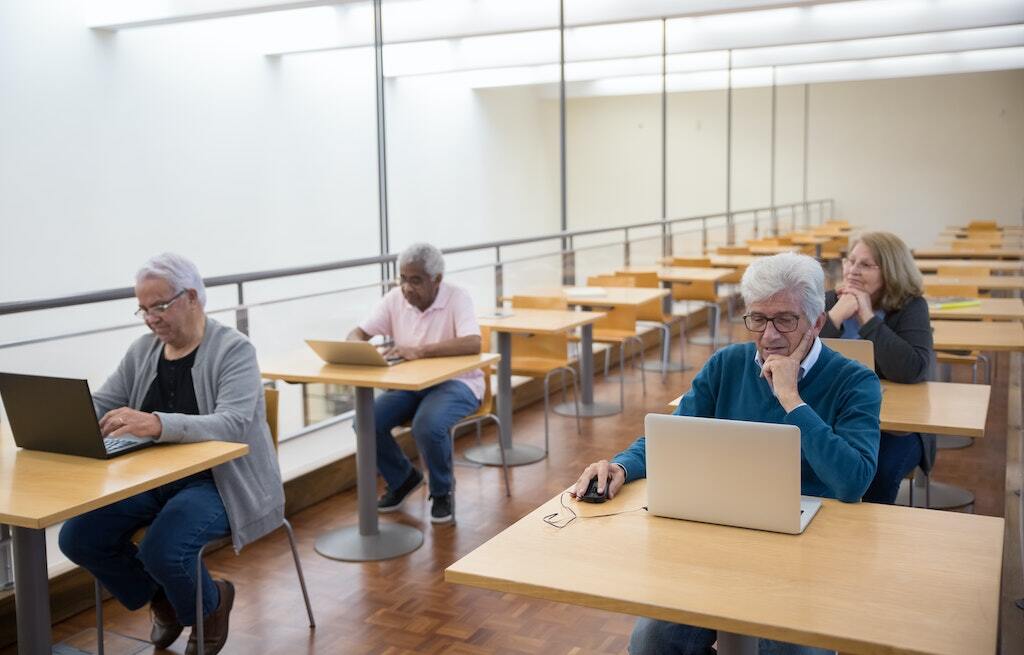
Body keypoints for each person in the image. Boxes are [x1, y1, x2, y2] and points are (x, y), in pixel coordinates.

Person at [572, 252, 881, 655]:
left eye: (785, 320)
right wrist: (621, 466)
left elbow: (854, 479)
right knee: (652, 642)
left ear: (817, 322)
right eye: (758, 319)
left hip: (810, 558)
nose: (769, 335)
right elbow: (673, 437)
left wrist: (792, 400)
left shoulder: (856, 381)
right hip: (721, 539)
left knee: (789, 651)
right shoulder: (726, 364)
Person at [58, 253, 285, 655]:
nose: (151, 318)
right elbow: (105, 401)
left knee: (163, 548)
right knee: (79, 536)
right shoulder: (143, 350)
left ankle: (209, 606)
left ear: (193, 297)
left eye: (160, 306)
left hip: (222, 480)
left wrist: (157, 423)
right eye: (143, 309)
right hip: (154, 478)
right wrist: (65, 420)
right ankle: (163, 599)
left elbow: (232, 424)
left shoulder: (235, 350)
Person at [348, 242, 482, 524]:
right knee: (365, 421)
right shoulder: (395, 299)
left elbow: (473, 342)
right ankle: (403, 478)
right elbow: (358, 333)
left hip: (458, 383)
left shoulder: (458, 297)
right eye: (403, 279)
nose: (407, 288)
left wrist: (420, 351)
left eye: (416, 280)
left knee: (427, 425)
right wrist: (361, 348)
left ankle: (442, 491)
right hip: (411, 386)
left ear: (437, 280)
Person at [819, 231, 934, 504]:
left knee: (877, 473)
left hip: (895, 428)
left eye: (866, 265)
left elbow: (912, 369)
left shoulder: (911, 306)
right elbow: (799, 354)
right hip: (835, 418)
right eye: (851, 261)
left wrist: (867, 318)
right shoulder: (829, 302)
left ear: (891, 271)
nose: (853, 271)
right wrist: (835, 317)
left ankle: (871, 541)